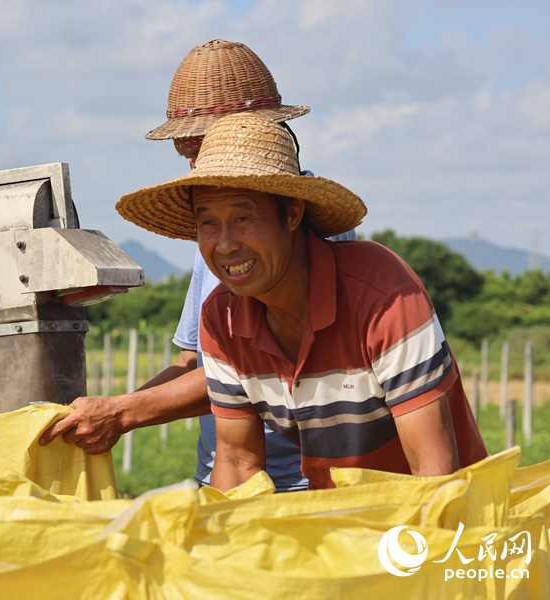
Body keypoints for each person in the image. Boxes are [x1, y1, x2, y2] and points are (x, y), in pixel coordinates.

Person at [115, 111, 488, 490]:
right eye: (208, 222)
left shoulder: (381, 293)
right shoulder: (221, 319)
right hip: (332, 524)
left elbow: (434, 474)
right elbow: (238, 461)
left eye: (243, 218)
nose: (225, 244)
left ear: (292, 214)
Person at [41, 40, 351, 492]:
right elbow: (194, 361)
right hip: (225, 477)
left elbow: (255, 366)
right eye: (185, 155)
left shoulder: (307, 226)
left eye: (201, 149)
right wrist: (111, 410)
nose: (194, 167)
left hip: (300, 488)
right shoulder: (221, 234)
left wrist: (125, 412)